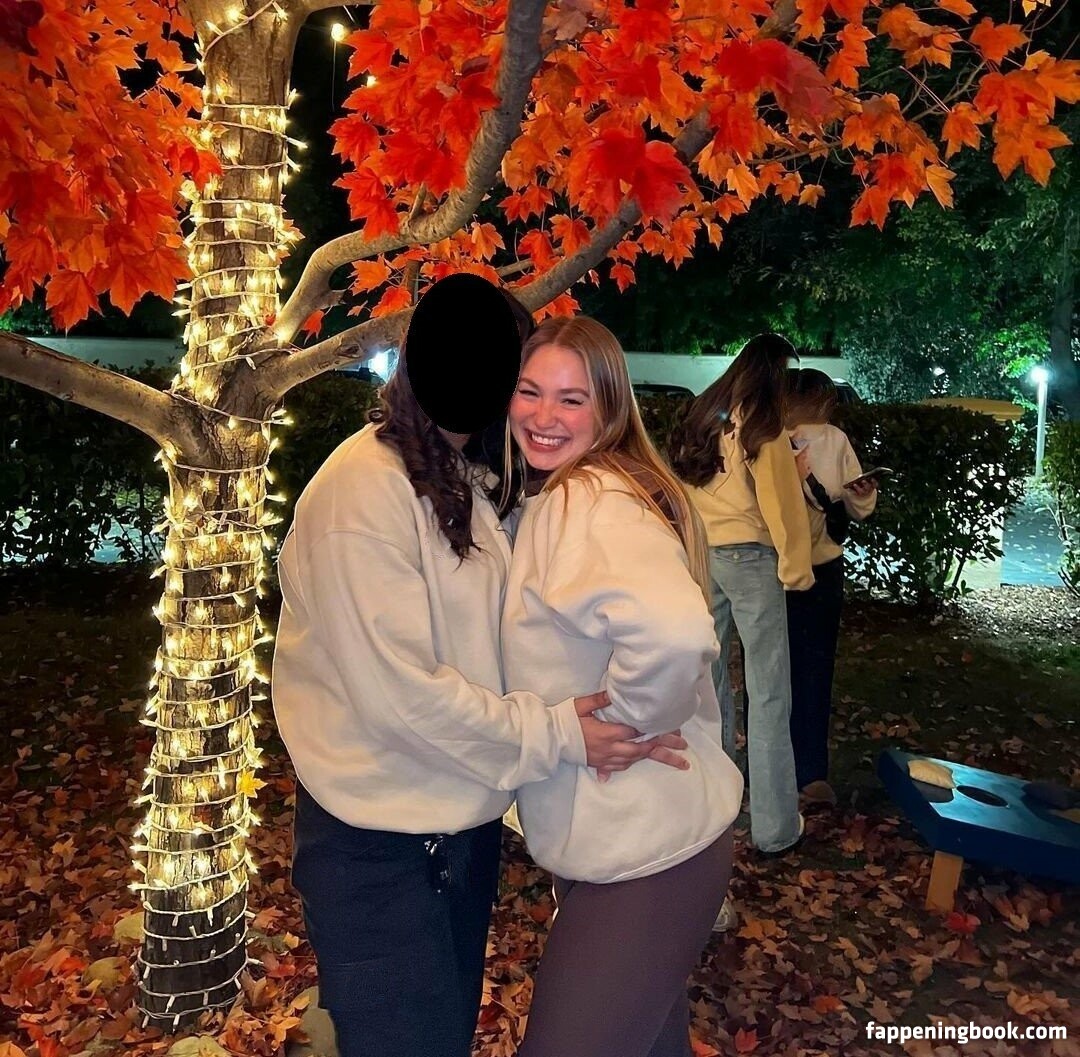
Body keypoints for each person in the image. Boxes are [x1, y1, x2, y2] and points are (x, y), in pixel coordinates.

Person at [271, 275, 685, 1057]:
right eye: (522, 382)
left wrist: (631, 706)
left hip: (457, 836)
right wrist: (558, 733)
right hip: (381, 852)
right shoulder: (362, 494)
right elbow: (402, 699)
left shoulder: (463, 476)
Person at [501, 316, 744, 1057]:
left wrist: (630, 724)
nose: (544, 415)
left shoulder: (587, 498)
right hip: (637, 842)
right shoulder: (587, 492)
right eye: (529, 391)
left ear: (609, 408)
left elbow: (675, 631)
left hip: (647, 850)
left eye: (571, 399)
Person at [670, 333, 812, 862]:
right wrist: (796, 568)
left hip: (703, 555)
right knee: (769, 692)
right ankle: (774, 827)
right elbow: (781, 505)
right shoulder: (763, 429)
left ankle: (715, 806)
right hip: (752, 558)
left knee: (709, 687)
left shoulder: (705, 417)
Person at [785, 368, 877, 806]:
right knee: (802, 670)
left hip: (802, 566)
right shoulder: (784, 438)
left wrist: (859, 492)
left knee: (789, 671)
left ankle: (792, 770)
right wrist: (860, 494)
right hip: (801, 566)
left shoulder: (826, 438)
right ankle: (800, 771)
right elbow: (858, 507)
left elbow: (855, 504)